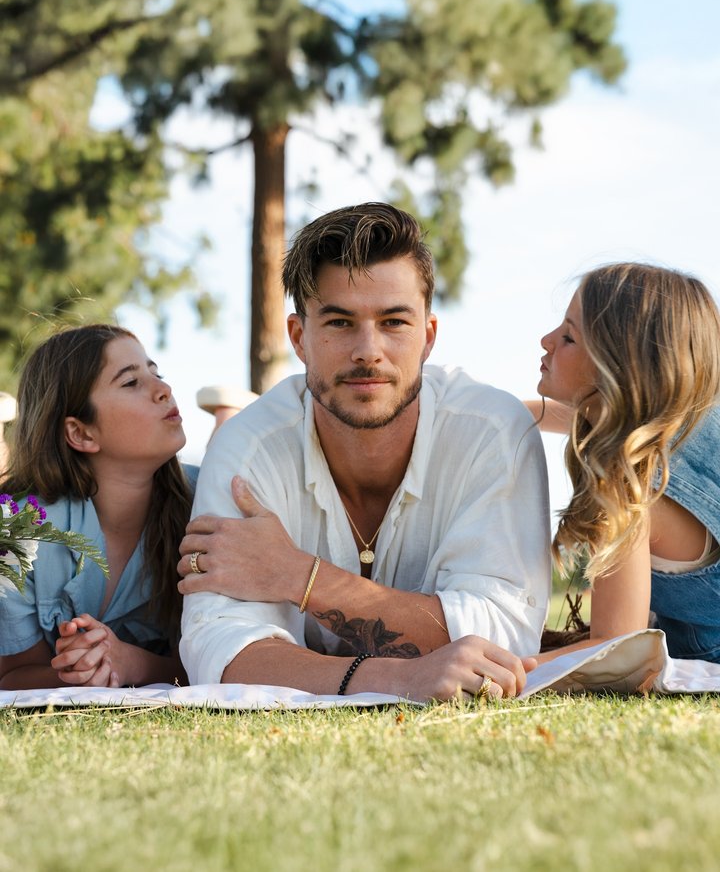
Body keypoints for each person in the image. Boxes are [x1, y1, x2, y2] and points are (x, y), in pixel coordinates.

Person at [178, 202, 551, 701]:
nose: (368, 351)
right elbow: (219, 651)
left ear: (428, 337)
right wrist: (399, 679)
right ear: (299, 338)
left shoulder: (493, 432)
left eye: (394, 322)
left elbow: (504, 634)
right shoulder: (247, 447)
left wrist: (298, 575)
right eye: (339, 322)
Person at [528, 262, 720, 661]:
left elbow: (615, 649)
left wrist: (499, 670)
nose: (546, 341)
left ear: (617, 370)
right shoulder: (683, 425)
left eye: (568, 337)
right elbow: (566, 415)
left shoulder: (627, 484)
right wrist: (491, 413)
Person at [0, 324, 198, 689]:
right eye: (131, 382)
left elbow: (228, 660)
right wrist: (81, 670)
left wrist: (133, 664)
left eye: (156, 374)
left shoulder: (207, 502)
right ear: (81, 433)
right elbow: (12, 676)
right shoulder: (16, 532)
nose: (164, 390)